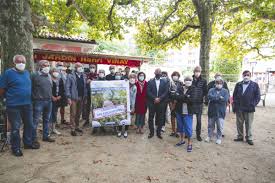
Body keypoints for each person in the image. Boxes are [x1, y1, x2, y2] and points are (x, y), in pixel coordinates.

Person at [0, 55, 39, 157]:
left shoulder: (26, 73)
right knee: (16, 127)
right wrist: (5, 99)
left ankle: (27, 143)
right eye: (18, 61)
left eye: (23, 61)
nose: (21, 63)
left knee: (29, 124)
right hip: (13, 105)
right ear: (14, 63)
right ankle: (16, 148)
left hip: (27, 104)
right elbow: (2, 89)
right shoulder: (8, 73)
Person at [233, 70, 260, 145]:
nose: (246, 76)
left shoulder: (255, 85)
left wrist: (253, 104)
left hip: (249, 108)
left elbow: (257, 96)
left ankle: (249, 138)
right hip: (239, 108)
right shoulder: (238, 84)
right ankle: (240, 136)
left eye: (247, 75)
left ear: (250, 76)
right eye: (244, 75)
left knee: (249, 124)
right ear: (242, 76)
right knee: (239, 123)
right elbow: (234, 95)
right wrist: (235, 105)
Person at [32, 60, 55, 143]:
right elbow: (30, 88)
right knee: (36, 120)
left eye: (48, 65)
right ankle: (33, 138)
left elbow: (50, 88)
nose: (47, 67)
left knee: (47, 120)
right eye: (44, 65)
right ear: (40, 66)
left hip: (49, 101)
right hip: (38, 102)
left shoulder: (49, 75)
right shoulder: (34, 75)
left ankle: (46, 136)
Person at [172, 76, 195, 152]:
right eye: (186, 80)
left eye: (189, 80)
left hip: (188, 112)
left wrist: (181, 97)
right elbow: (175, 96)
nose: (188, 81)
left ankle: (189, 143)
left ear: (191, 81)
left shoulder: (193, 89)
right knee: (180, 127)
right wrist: (185, 96)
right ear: (184, 81)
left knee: (188, 128)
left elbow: (192, 100)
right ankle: (182, 140)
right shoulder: (180, 88)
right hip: (179, 111)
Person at [65, 62, 87, 136]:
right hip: (73, 98)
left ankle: (77, 126)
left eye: (81, 67)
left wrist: (85, 96)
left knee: (78, 113)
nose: (80, 68)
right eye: (79, 67)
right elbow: (67, 87)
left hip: (81, 97)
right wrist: (68, 97)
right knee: (73, 113)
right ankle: (72, 129)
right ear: (75, 68)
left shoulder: (83, 76)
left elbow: (84, 87)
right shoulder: (70, 76)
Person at [205, 78, 229, 145]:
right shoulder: (211, 90)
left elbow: (225, 99)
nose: (218, 85)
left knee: (220, 126)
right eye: (217, 83)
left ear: (222, 84)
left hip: (220, 111)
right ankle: (209, 136)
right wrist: (219, 97)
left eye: (220, 84)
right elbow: (209, 97)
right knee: (210, 125)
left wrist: (215, 98)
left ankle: (219, 138)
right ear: (215, 84)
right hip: (212, 111)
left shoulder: (225, 91)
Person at [147, 68, 169, 139]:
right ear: (154, 73)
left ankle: (158, 133)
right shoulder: (150, 81)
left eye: (159, 72)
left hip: (161, 103)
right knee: (151, 118)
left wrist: (159, 98)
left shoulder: (164, 82)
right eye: (157, 72)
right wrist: (154, 98)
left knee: (160, 118)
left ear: (161, 74)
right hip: (152, 102)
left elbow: (166, 92)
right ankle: (151, 132)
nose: (158, 73)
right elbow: (148, 91)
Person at [117, 73, 137, 138]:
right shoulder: (124, 84)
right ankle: (119, 130)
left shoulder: (135, 87)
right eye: (130, 77)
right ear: (128, 78)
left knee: (128, 118)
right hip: (122, 104)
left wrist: (133, 108)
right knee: (121, 117)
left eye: (133, 77)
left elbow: (134, 98)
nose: (132, 79)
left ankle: (125, 131)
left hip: (130, 105)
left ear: (135, 79)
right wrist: (124, 81)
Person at [191, 66, 207, 141]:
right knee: (189, 119)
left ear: (200, 72)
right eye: (196, 71)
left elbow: (205, 91)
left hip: (199, 103)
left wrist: (203, 99)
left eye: (199, 71)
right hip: (191, 103)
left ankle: (198, 135)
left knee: (199, 120)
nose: (197, 73)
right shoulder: (190, 80)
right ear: (194, 72)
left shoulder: (204, 81)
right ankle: (188, 133)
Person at [50, 68, 64, 135]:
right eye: (54, 71)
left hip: (57, 99)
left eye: (57, 71)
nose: (56, 73)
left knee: (55, 113)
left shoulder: (59, 80)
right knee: (49, 114)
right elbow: (47, 89)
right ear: (51, 72)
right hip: (50, 99)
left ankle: (53, 128)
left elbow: (62, 89)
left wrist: (60, 96)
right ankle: (48, 129)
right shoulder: (49, 79)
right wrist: (52, 97)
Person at [169, 71, 183, 137]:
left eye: (177, 75)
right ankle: (173, 130)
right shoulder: (169, 83)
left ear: (178, 76)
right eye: (174, 75)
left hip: (178, 102)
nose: (175, 76)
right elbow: (168, 93)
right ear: (172, 76)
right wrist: (170, 103)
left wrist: (176, 101)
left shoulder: (181, 83)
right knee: (172, 116)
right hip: (171, 102)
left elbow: (181, 93)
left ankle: (178, 131)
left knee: (178, 117)